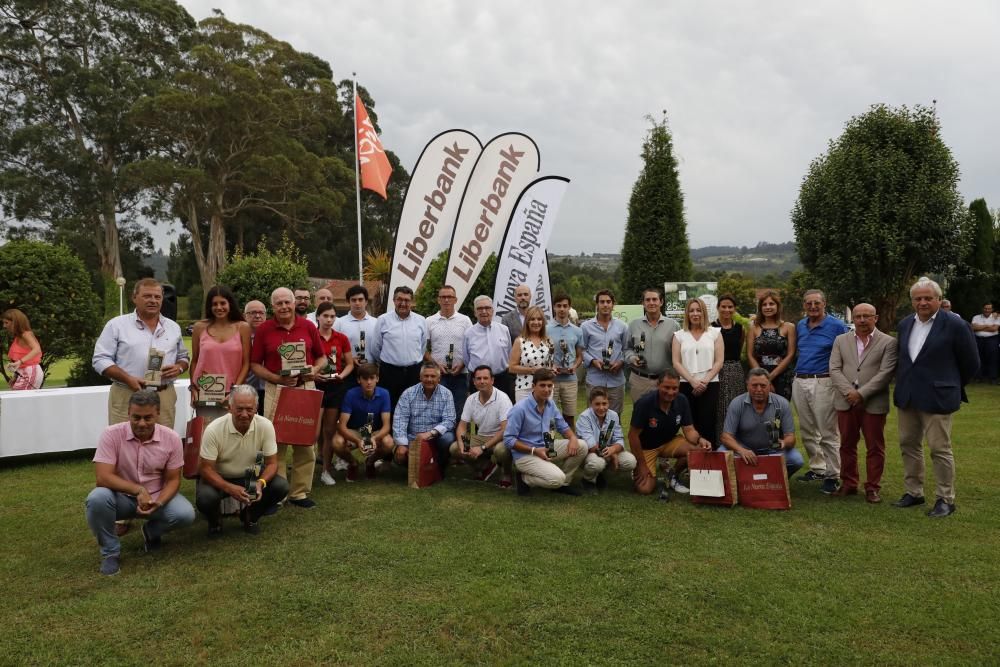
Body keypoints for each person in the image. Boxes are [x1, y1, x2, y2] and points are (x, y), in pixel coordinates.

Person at [893, 277, 979, 518]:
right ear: (912, 302)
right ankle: (914, 492)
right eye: (918, 298)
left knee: (939, 449)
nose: (923, 302)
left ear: (939, 300)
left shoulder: (955, 325)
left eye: (928, 298)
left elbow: (971, 363)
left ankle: (945, 499)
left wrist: (950, 385)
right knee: (908, 445)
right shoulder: (905, 324)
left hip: (938, 397)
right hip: (908, 395)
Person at [84, 390, 196, 576]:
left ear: (158, 414)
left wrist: (158, 502)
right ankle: (110, 553)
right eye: (136, 417)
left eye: (148, 418)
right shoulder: (111, 434)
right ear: (128, 412)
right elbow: (103, 478)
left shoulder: (172, 438)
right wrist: (138, 490)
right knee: (97, 499)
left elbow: (173, 479)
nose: (141, 423)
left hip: (156, 496)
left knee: (185, 514)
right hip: (119, 496)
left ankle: (151, 532)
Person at [249, 287, 327, 509]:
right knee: (276, 442)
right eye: (278, 303)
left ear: (294, 303)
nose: (283, 307)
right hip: (276, 388)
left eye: (287, 302)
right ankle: (279, 493)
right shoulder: (265, 329)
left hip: (305, 387)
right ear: (272, 306)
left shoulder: (308, 326)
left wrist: (314, 369)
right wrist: (276, 378)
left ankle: (300, 493)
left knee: (305, 442)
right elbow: (255, 364)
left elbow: (322, 357)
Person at [93, 278, 189, 427]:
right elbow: (100, 360)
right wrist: (128, 379)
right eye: (147, 296)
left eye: (157, 297)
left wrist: (179, 367)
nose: (153, 301)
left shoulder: (173, 327)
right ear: (134, 298)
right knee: (124, 443)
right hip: (126, 393)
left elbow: (183, 357)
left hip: (164, 395)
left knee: (162, 444)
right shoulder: (116, 325)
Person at [196, 385, 288, 536]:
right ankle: (215, 521)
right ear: (229, 408)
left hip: (251, 475)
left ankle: (250, 516)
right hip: (220, 477)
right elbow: (205, 469)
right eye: (239, 409)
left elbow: (272, 463)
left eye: (249, 409)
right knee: (206, 498)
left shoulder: (266, 425)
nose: (244, 414)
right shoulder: (214, 429)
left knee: (281, 486)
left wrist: (260, 483)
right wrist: (229, 488)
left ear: (256, 408)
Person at [829, 303, 898, 503]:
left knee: (875, 447)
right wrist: (849, 392)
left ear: (875, 318)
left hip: (873, 402)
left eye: (867, 316)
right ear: (853, 318)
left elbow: (886, 373)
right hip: (845, 401)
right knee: (846, 444)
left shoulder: (888, 342)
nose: (862, 320)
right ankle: (849, 483)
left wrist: (862, 394)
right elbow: (834, 369)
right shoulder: (840, 340)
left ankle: (872, 487)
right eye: (858, 316)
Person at [791, 289, 849, 493]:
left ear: (825, 303)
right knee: (807, 430)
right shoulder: (801, 325)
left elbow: (847, 353)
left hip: (823, 381)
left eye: (817, 303)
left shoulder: (837, 326)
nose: (813, 307)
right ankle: (818, 468)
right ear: (804, 305)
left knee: (827, 432)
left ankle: (833, 475)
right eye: (809, 303)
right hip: (800, 380)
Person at [503, 368, 586, 496]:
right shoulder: (519, 409)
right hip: (526, 455)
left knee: (582, 446)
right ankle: (525, 479)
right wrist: (534, 451)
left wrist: (573, 439)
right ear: (533, 386)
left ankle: (564, 484)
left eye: (549, 386)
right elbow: (508, 440)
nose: (547, 389)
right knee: (556, 478)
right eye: (542, 385)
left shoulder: (550, 404)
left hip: (547, 447)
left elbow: (563, 427)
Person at [629, 369, 713, 496]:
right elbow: (632, 436)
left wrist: (700, 439)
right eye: (666, 387)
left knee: (699, 449)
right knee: (645, 489)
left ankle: (672, 475)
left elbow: (689, 430)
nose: (670, 392)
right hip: (646, 447)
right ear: (658, 385)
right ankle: (638, 467)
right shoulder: (644, 403)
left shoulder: (682, 400)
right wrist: (641, 465)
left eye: (675, 388)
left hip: (669, 441)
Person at [718, 368, 804, 477]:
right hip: (744, 448)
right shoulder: (737, 403)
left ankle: (777, 480)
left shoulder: (782, 403)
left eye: (763, 386)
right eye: (754, 385)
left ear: (769, 385)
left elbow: (791, 437)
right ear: (747, 385)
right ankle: (742, 481)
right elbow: (726, 437)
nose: (759, 389)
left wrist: (784, 443)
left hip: (773, 450)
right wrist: (741, 450)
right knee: (721, 454)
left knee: (796, 460)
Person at [189, 286, 251, 425]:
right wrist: (193, 388)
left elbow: (246, 363)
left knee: (232, 438)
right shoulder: (199, 328)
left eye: (222, 303)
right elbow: (194, 361)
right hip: (205, 393)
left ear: (230, 304)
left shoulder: (242, 327)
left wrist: (235, 391)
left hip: (231, 395)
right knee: (206, 437)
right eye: (214, 304)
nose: (219, 307)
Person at [672, 297, 724, 448]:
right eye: (691, 310)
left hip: (710, 384)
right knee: (690, 424)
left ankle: (710, 465)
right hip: (686, 384)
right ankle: (692, 465)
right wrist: (692, 381)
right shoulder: (679, 335)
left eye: (698, 310)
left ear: (704, 312)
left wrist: (705, 381)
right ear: (687, 314)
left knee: (708, 423)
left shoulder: (715, 333)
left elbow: (719, 361)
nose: (695, 313)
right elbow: (676, 362)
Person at [452, 365, 514, 487]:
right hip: (479, 437)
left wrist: (483, 448)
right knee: (455, 448)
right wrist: (462, 444)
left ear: (492, 380)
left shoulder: (503, 398)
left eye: (485, 378)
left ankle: (506, 473)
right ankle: (484, 467)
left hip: (499, 438)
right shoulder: (471, 399)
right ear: (474, 382)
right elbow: (462, 427)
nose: (482, 381)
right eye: (478, 378)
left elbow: (505, 429)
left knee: (501, 451)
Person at [390, 363, 456, 478]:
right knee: (401, 455)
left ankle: (440, 466)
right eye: (426, 376)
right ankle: (415, 468)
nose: (429, 379)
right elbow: (400, 419)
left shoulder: (447, 394)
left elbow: (450, 420)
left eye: (433, 376)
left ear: (439, 379)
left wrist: (431, 433)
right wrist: (402, 444)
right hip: (413, 437)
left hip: (436, 437)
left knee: (447, 438)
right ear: (420, 377)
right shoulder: (408, 393)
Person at [314, 302, 355, 486]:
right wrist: (315, 374)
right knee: (313, 433)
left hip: (336, 387)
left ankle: (326, 471)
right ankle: (308, 469)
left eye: (332, 316)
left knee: (329, 431)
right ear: (318, 317)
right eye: (325, 316)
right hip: (316, 386)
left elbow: (350, 364)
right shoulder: (311, 336)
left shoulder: (341, 338)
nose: (329, 320)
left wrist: (341, 376)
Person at [334, 363, 394, 481]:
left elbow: (386, 426)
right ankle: (353, 463)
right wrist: (357, 440)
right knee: (337, 442)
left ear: (377, 379)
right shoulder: (351, 394)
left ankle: (370, 462)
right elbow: (341, 426)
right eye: (365, 379)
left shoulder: (384, 394)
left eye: (372, 378)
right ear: (358, 380)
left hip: (373, 432)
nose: (369, 382)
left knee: (389, 443)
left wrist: (373, 439)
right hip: (355, 431)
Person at [370, 286, 427, 408]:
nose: (403, 303)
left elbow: (422, 347)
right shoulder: (383, 320)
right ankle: (389, 428)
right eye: (399, 299)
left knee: (413, 406)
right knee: (389, 406)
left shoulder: (421, 321)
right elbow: (375, 347)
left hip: (414, 372)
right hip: (389, 372)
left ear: (411, 302)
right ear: (394, 300)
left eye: (407, 300)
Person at [425, 284, 473, 418]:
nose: (446, 300)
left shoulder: (465, 320)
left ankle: (459, 437)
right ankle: (441, 437)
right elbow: (423, 348)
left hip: (460, 373)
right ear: (438, 300)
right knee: (438, 409)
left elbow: (471, 346)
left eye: (449, 297)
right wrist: (435, 365)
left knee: (459, 410)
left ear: (455, 300)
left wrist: (463, 363)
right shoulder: (429, 321)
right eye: (443, 297)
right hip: (438, 374)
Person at [577, 387, 636, 494]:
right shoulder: (584, 417)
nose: (601, 407)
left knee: (630, 461)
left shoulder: (613, 416)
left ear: (609, 403)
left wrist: (614, 448)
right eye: (597, 404)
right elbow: (592, 445)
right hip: (591, 453)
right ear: (591, 403)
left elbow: (619, 439)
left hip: (608, 449)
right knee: (597, 463)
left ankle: (601, 475)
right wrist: (612, 455)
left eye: (604, 403)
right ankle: (587, 480)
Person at [625, 287, 679, 403]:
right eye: (648, 300)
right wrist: (631, 358)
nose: (651, 303)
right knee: (641, 416)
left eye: (654, 299)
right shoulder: (634, 325)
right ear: (643, 303)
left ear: (661, 302)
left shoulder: (673, 325)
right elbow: (627, 348)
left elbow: (679, 353)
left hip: (665, 381)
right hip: (640, 380)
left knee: (665, 416)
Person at [581, 289, 629, 414]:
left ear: (613, 305)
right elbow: (581, 350)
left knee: (614, 417)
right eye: (602, 302)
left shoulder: (622, 326)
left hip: (616, 381)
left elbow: (627, 350)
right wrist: (592, 361)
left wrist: (621, 362)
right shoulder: (586, 327)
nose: (605, 305)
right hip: (595, 380)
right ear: (597, 304)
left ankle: (612, 435)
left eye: (608, 302)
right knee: (594, 417)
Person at [463, 295, 515, 402]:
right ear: (475, 312)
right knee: (480, 413)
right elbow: (466, 358)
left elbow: (509, 353)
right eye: (480, 309)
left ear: (492, 310)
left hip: (502, 379)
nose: (484, 311)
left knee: (504, 413)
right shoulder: (468, 333)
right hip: (479, 381)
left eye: (487, 308)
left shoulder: (504, 330)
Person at [747, 290, 796, 400]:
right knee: (759, 411)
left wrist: (770, 377)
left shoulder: (789, 327)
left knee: (779, 411)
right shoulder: (753, 328)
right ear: (760, 308)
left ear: (778, 306)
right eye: (764, 304)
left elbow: (791, 354)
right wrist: (762, 378)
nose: (768, 307)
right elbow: (750, 355)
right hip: (759, 376)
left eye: (771, 304)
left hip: (782, 376)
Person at [711, 294, 745, 442]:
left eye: (730, 306)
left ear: (734, 309)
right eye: (723, 306)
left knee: (737, 407)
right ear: (718, 308)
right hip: (718, 371)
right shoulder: (711, 328)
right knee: (720, 408)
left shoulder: (740, 328)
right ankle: (720, 442)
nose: (727, 309)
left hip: (736, 371)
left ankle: (737, 441)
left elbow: (740, 346)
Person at [547, 294, 584, 429]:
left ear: (569, 308)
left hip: (570, 379)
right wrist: (551, 365)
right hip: (551, 379)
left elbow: (580, 355)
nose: (562, 309)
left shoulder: (577, 331)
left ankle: (571, 446)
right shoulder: (545, 329)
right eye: (559, 306)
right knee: (549, 416)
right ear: (554, 308)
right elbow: (544, 354)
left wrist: (574, 366)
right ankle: (549, 447)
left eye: (565, 306)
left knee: (569, 416)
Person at [509, 306, 554, 403]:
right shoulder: (519, 341)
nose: (536, 322)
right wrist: (533, 370)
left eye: (539, 319)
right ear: (527, 322)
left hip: (546, 387)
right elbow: (512, 367)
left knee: (545, 416)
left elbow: (550, 363)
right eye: (532, 319)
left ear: (543, 322)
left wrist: (553, 368)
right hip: (525, 388)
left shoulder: (549, 341)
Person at [334, 284, 378, 366]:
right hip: (348, 370)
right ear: (348, 302)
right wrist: (349, 359)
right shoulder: (339, 323)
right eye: (353, 300)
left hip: (372, 371)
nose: (357, 303)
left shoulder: (376, 323)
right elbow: (333, 349)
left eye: (360, 299)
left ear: (366, 301)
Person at [2, 308, 43, 390]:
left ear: (15, 322)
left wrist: (20, 362)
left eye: (6, 323)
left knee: (18, 400)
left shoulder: (25, 334)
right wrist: (15, 376)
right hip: (25, 372)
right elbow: (21, 363)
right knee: (19, 400)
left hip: (31, 372)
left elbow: (36, 349)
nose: (4, 326)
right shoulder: (19, 337)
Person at [243, 300, 268, 412]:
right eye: (252, 313)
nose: (257, 316)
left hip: (268, 389)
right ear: (245, 316)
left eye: (261, 313)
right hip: (245, 389)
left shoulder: (273, 336)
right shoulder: (238, 338)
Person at [971, 302, 998, 384]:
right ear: (983, 309)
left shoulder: (996, 317)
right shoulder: (976, 317)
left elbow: (994, 329)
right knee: (978, 358)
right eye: (985, 308)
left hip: (992, 339)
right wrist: (988, 326)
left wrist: (980, 327)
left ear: (992, 309)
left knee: (992, 358)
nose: (987, 310)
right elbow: (973, 327)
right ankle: (978, 377)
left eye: (989, 308)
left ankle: (992, 378)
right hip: (978, 339)